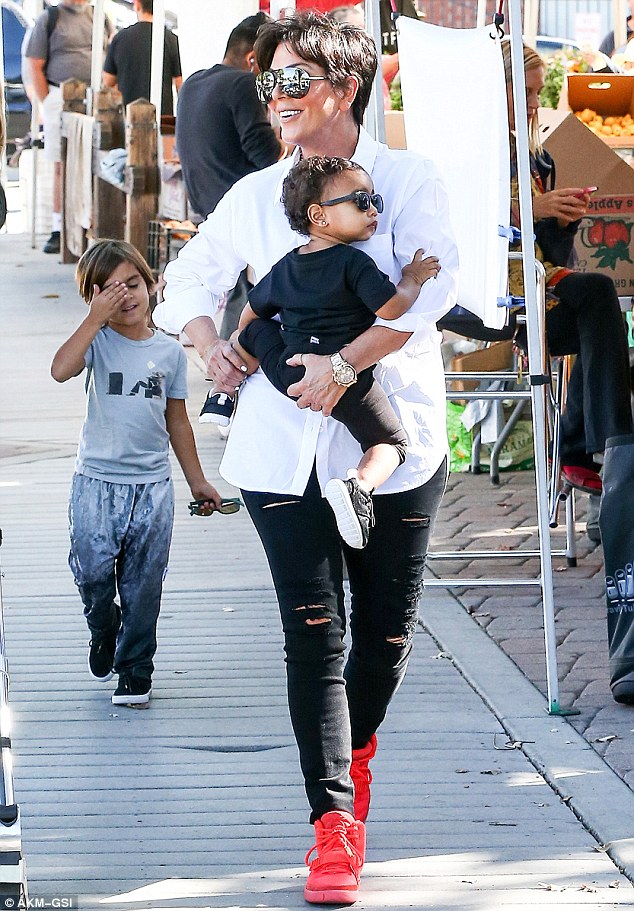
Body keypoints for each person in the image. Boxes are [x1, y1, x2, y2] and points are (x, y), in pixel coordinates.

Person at [155, 11, 457, 904]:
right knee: (313, 634)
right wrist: (212, 344)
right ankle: (331, 822)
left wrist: (344, 365)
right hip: (278, 447)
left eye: (293, 81)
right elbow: (190, 284)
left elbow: (427, 298)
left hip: (392, 440)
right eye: (267, 84)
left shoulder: (405, 180)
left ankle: (353, 765)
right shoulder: (254, 197)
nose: (276, 99)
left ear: (345, 87)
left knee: (386, 637)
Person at [200, 155, 441, 550]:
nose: (373, 210)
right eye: (361, 201)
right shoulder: (354, 263)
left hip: (290, 372)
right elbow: (393, 309)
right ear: (319, 215)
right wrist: (412, 279)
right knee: (391, 443)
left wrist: (242, 346)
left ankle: (224, 392)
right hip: (342, 378)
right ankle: (358, 486)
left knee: (256, 332)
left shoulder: (285, 266)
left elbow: (250, 314)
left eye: (375, 201)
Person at [50, 240, 222, 707]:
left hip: (151, 487)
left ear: (151, 285)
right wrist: (93, 320)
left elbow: (178, 420)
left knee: (145, 583)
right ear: (92, 298)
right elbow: (60, 370)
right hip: (95, 482)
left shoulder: (168, 354)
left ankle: (135, 669)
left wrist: (198, 481)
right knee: (92, 574)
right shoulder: (96, 341)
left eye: (131, 283)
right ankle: (104, 626)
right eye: (107, 290)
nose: (123, 296)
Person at [504, 40, 633, 497]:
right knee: (600, 298)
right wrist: (533, 208)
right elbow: (463, 223)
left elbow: (552, 252)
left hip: (543, 289)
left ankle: (588, 452)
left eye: (540, 93)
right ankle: (603, 450)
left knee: (599, 313)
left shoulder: (538, 158)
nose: (537, 104)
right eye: (528, 93)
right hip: (495, 299)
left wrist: (560, 218)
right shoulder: (476, 157)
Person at [175, 12, 283, 340]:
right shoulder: (243, 84)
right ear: (253, 59)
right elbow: (267, 157)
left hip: (202, 199)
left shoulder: (194, 81)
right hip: (236, 206)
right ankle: (240, 351)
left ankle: (233, 348)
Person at [25, 0, 111, 255]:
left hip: (93, 98)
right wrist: (47, 100)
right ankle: (58, 227)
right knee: (61, 163)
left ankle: (92, 225)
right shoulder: (49, 18)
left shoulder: (99, 16)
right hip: (59, 95)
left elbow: (108, 54)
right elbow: (34, 63)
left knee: (95, 163)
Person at [103, 0, 182, 116]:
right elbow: (180, 85)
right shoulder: (171, 39)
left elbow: (108, 81)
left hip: (129, 118)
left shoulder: (120, 39)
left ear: (137, 5)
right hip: (162, 119)